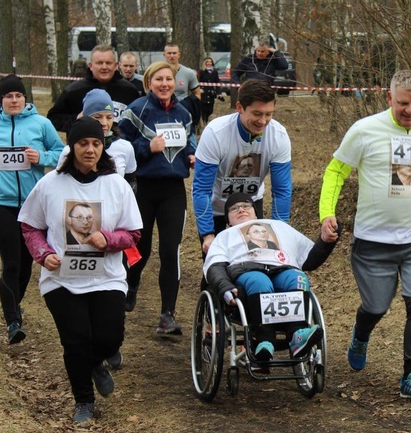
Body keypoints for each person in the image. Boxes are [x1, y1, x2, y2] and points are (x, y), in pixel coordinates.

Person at [319, 70, 411, 402]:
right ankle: (360, 335)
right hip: (374, 241)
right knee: (376, 306)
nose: (410, 111)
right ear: (389, 98)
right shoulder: (365, 130)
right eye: (403, 103)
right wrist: (327, 212)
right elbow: (336, 170)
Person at [18, 116, 142, 424]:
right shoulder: (50, 184)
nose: (90, 150)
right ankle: (83, 401)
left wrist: (109, 239)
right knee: (75, 340)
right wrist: (43, 254)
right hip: (62, 279)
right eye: (83, 143)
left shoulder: (117, 185)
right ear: (72, 147)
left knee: (109, 338)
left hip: (107, 277)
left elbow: (134, 235)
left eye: (96, 144)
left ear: (104, 147)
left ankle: (97, 361)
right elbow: (30, 226)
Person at [0, 74, 65, 344]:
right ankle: (13, 321)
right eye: (8, 96)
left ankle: (15, 305)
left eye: (18, 96)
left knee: (26, 265)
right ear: (1, 101)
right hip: (0, 203)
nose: (14, 100)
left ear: (25, 99)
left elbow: (61, 152)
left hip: (34, 205)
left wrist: (42, 157)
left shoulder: (41, 124)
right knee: (11, 263)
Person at [205, 193, 339, 360]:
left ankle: (297, 334)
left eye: (245, 206)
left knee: (297, 278)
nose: (241, 209)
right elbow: (214, 266)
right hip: (247, 271)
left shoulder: (278, 226)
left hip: (283, 267)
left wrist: (325, 241)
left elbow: (309, 259)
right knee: (260, 281)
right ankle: (263, 340)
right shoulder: (225, 235)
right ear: (228, 220)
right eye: (234, 209)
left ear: (255, 212)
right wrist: (225, 288)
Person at [119, 61, 196, 331]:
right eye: (158, 79)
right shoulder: (136, 110)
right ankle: (130, 282)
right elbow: (119, 144)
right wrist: (146, 146)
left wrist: (192, 153)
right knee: (141, 247)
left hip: (173, 190)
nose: (164, 84)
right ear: (149, 83)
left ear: (175, 83)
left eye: (169, 79)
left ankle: (167, 315)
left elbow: (190, 138)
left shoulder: (184, 112)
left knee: (170, 251)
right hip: (143, 188)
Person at [192, 79, 292, 256]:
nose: (263, 121)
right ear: (239, 107)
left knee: (254, 260)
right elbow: (201, 189)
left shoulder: (278, 136)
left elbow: (282, 190)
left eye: (269, 114)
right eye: (257, 114)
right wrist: (207, 233)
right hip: (216, 207)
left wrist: (280, 230)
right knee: (218, 267)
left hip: (250, 204)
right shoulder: (216, 132)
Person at [57, 89, 137, 189]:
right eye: (98, 117)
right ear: (85, 117)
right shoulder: (69, 150)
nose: (104, 123)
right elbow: (60, 184)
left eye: (109, 117)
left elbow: (131, 182)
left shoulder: (125, 147)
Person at [48, 45, 140, 133]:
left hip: (120, 146)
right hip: (85, 146)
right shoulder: (74, 90)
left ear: (115, 65)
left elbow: (140, 120)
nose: (104, 67)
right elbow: (53, 118)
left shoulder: (129, 90)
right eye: (99, 63)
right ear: (90, 65)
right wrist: (76, 119)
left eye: (108, 63)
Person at [163, 43, 201, 126]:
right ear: (164, 55)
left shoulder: (189, 73)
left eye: (174, 53)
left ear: (179, 55)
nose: (172, 56)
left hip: (182, 112)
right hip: (162, 112)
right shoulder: (158, 72)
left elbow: (197, 94)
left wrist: (189, 105)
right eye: (169, 53)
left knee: (190, 138)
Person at [198, 57, 224, 125]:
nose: (209, 63)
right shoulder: (201, 72)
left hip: (211, 94)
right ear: (205, 63)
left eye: (210, 62)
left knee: (210, 110)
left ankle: (206, 119)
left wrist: (219, 93)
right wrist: (199, 89)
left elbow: (217, 83)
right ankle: (203, 122)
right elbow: (197, 81)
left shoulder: (214, 72)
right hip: (203, 93)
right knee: (204, 109)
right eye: (207, 62)